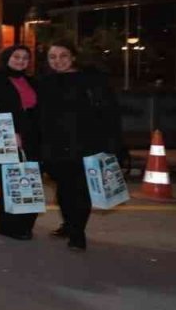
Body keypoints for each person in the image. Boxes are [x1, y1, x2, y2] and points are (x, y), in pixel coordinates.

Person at [37, 41, 121, 251]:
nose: (58, 61)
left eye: (63, 55)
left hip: (87, 144)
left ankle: (78, 233)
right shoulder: (45, 82)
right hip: (56, 145)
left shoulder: (92, 80)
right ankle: (69, 224)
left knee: (82, 190)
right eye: (52, 57)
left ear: (73, 56)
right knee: (64, 189)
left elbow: (109, 113)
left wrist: (111, 144)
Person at [0, 44, 41, 239]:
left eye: (25, 57)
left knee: (30, 180)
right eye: (16, 56)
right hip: (9, 136)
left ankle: (26, 224)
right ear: (7, 57)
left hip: (32, 137)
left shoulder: (32, 81)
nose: (20, 60)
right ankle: (9, 226)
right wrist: (13, 131)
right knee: (10, 181)